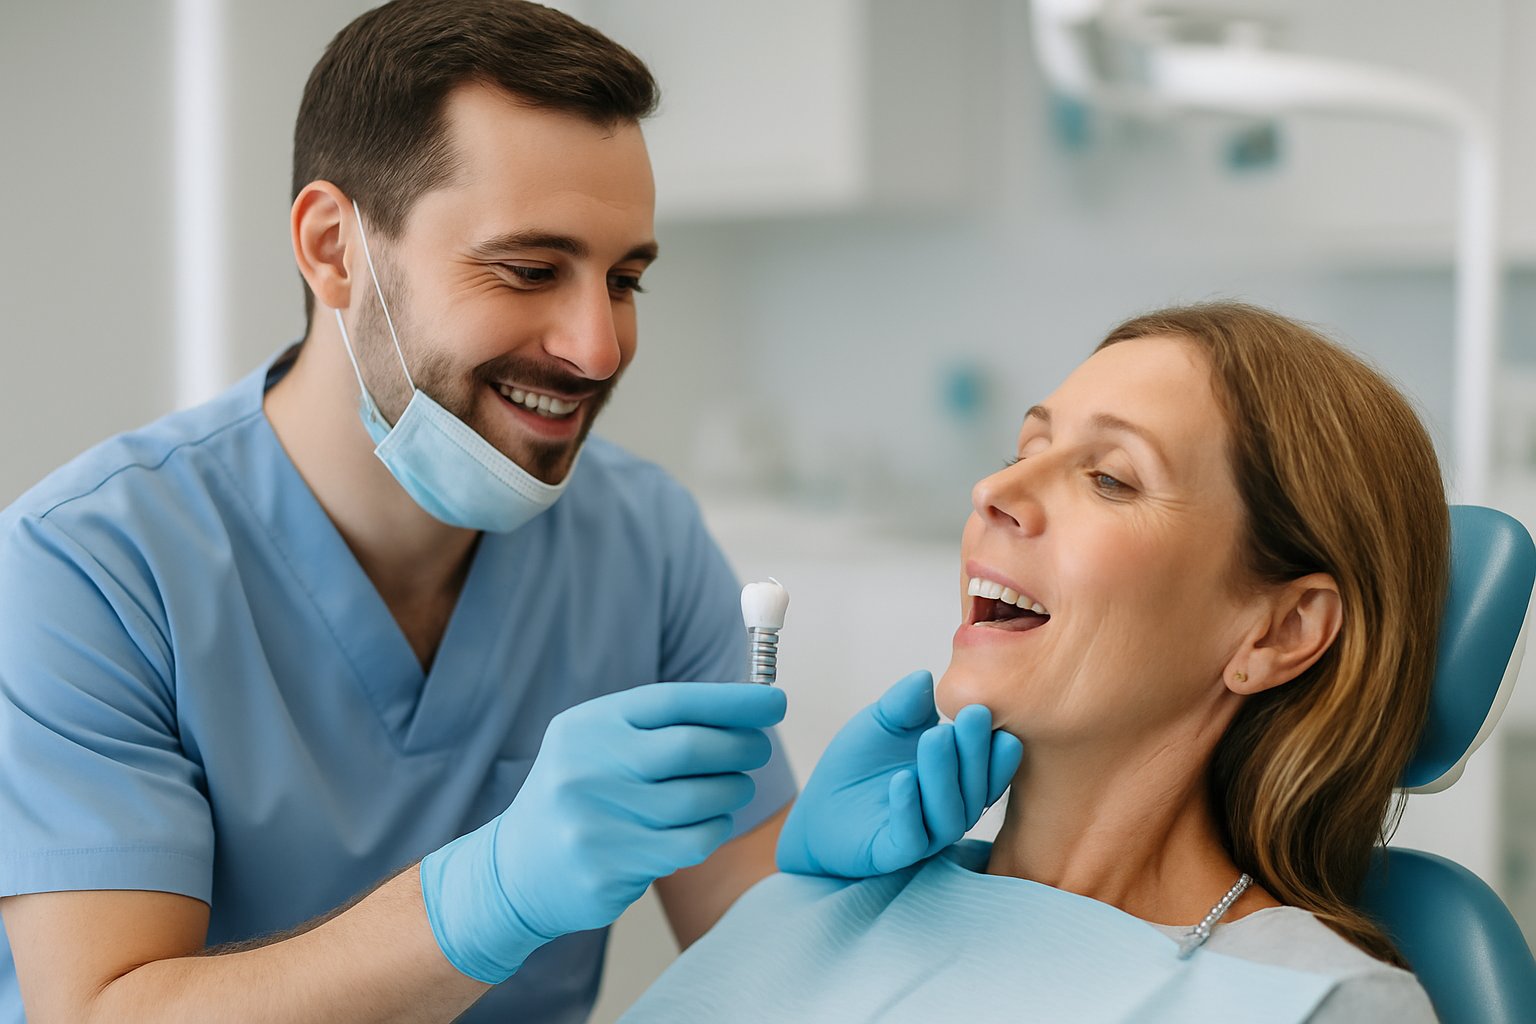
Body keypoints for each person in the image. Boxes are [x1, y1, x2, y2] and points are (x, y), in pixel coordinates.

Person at [0, 3, 817, 1021]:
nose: (598, 347)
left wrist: (870, 885)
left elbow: (766, 953)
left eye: (624, 280)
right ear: (334, 248)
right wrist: (485, 896)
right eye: (529, 270)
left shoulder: (642, 539)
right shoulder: (90, 565)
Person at [620, 303, 1445, 1022]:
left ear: (1280, 632)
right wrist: (801, 895)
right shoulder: (833, 905)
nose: (992, 490)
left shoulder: (1311, 1002)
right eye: (1023, 451)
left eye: (1111, 479)